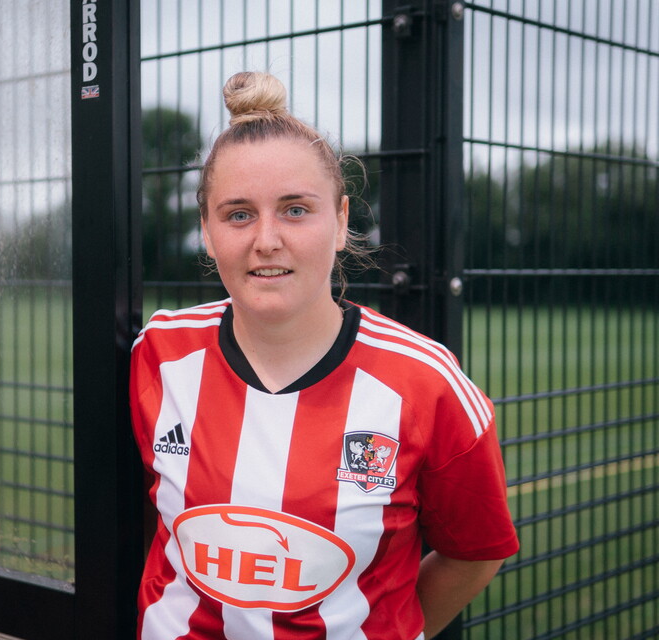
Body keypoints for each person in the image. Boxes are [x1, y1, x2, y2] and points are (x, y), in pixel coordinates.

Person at [129, 71, 518, 640]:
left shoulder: (428, 385)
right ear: (207, 233)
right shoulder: (159, 352)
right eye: (238, 214)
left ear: (339, 221)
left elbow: (474, 555)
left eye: (295, 210)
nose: (266, 240)